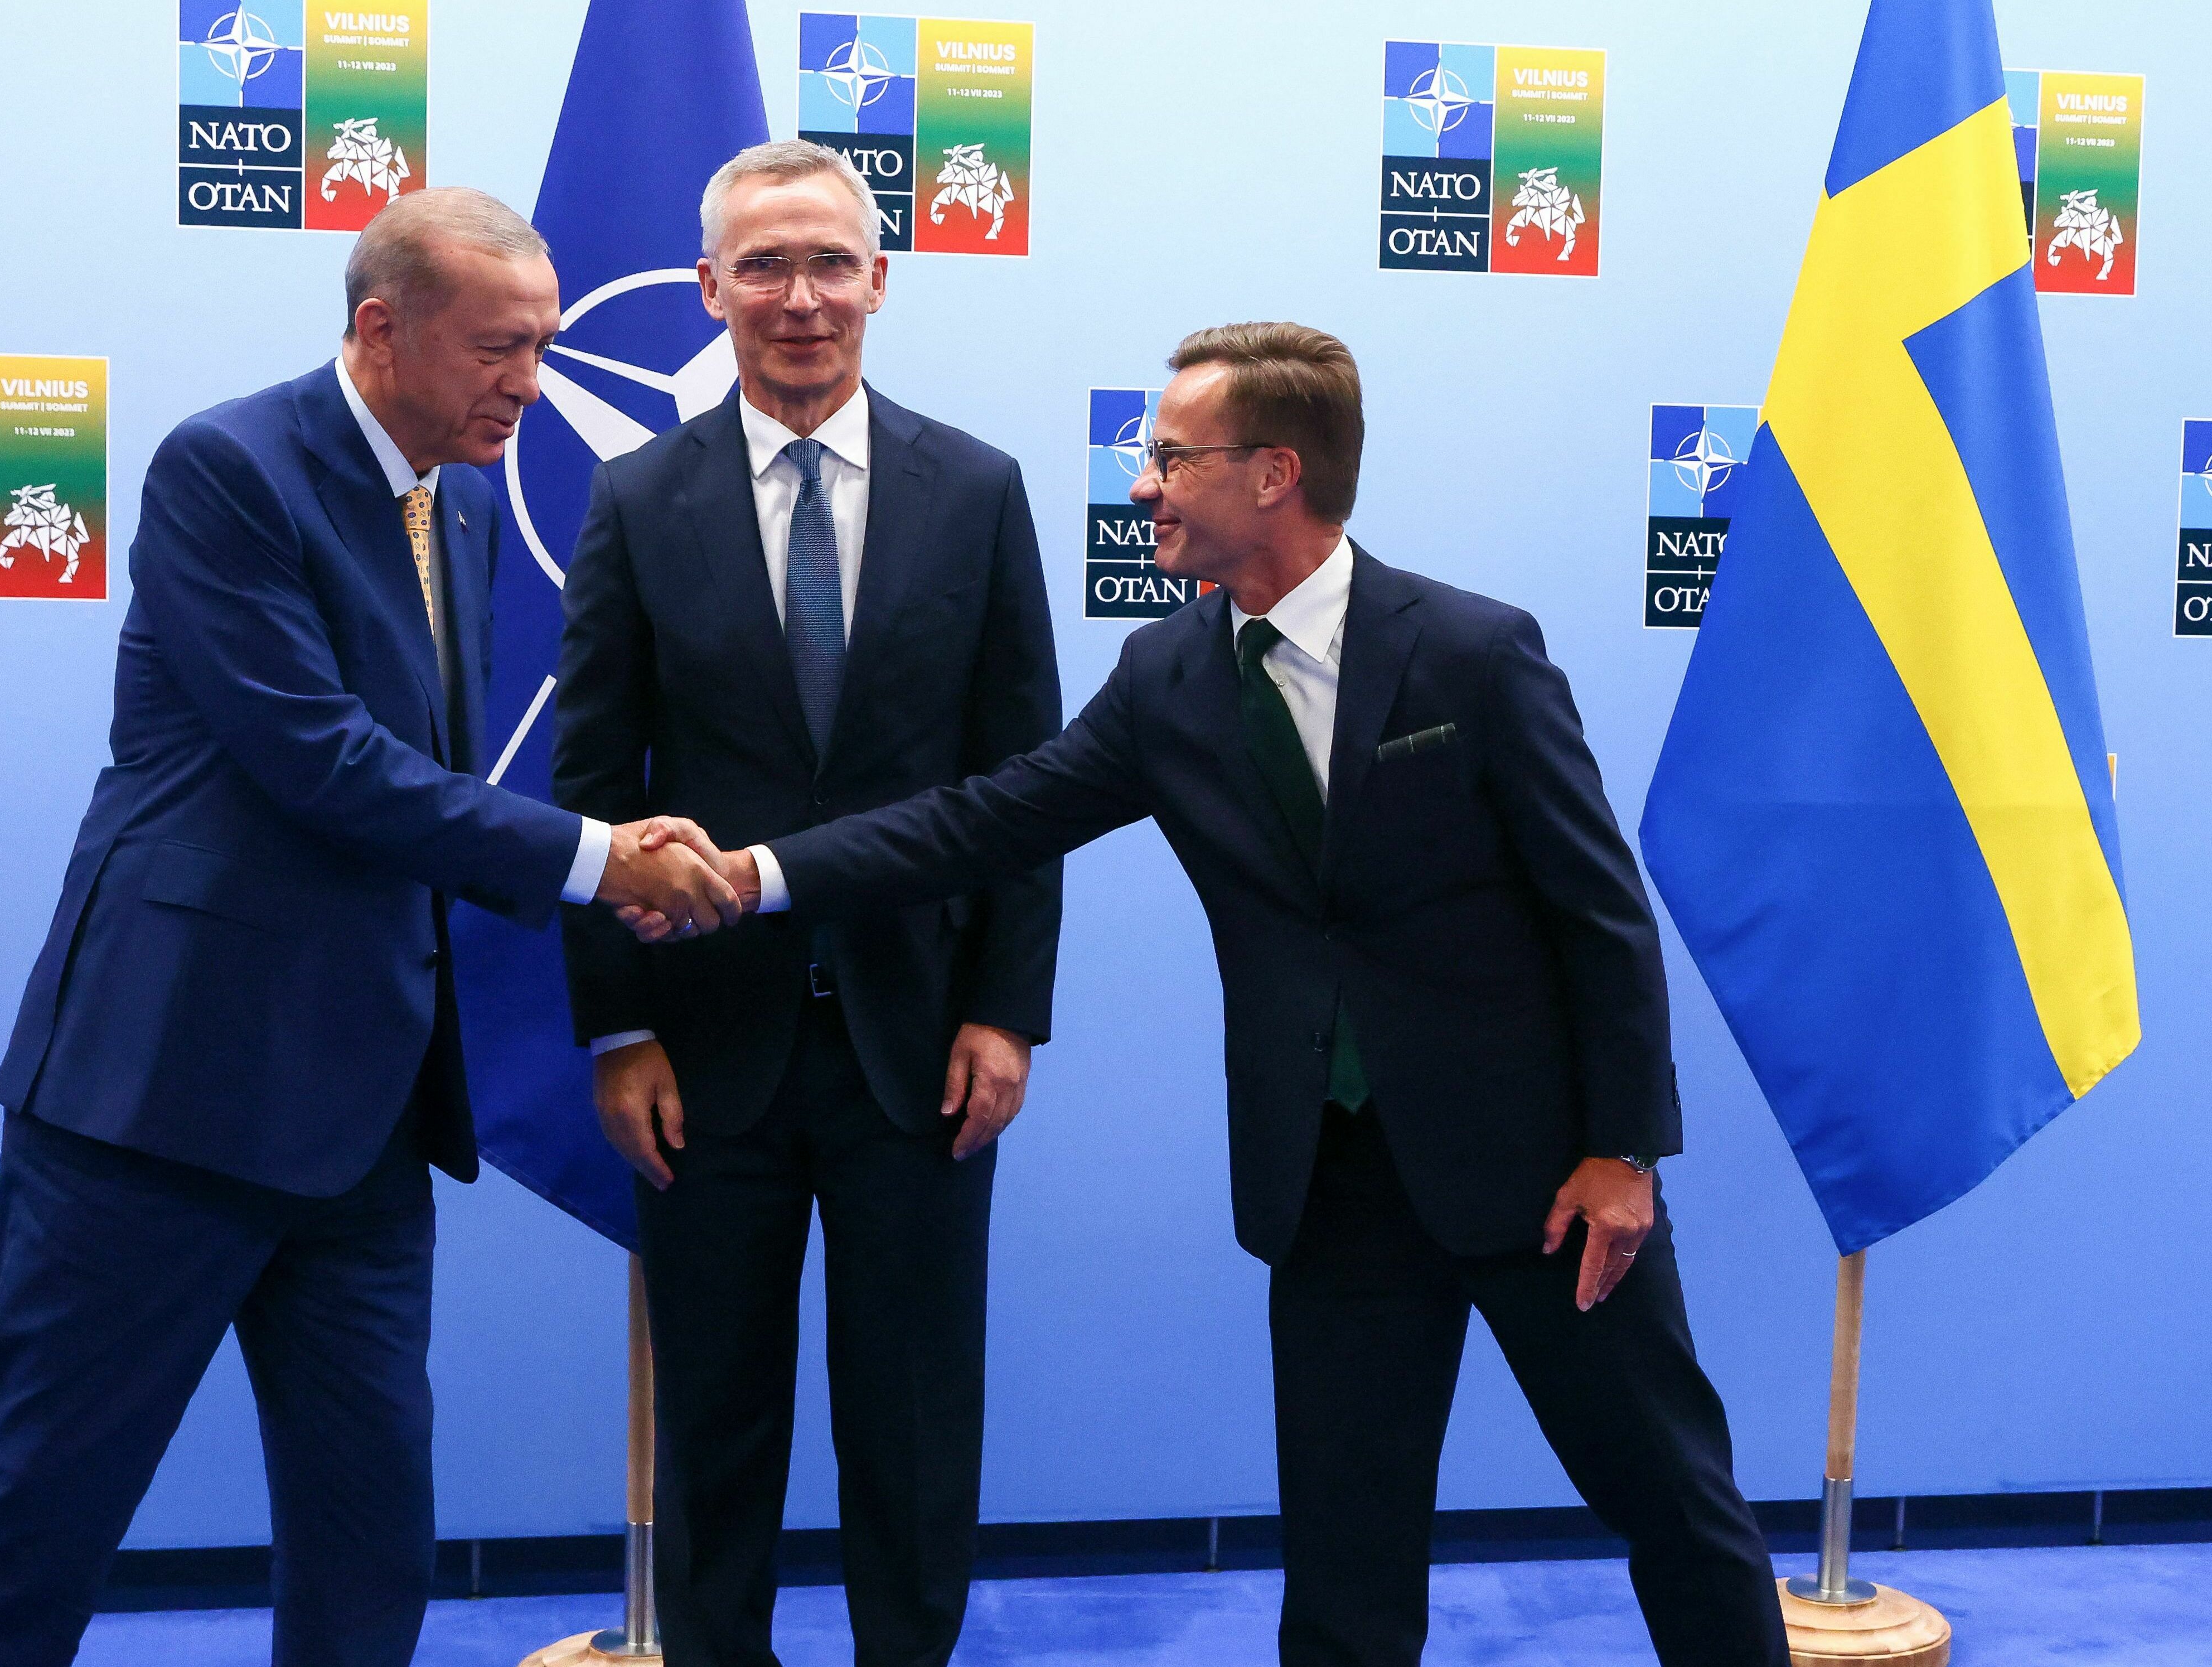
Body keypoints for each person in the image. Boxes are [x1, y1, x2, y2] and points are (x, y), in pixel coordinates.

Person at [636, 322, 1788, 1666]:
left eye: (1171, 459)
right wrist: (759, 873)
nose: (1143, 488)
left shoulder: (1471, 652)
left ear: (1272, 474)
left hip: (1542, 1179)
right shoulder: (1166, 675)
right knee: (1344, 1561)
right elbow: (978, 822)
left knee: (1670, 1501)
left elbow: (1599, 915)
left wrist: (1621, 1149)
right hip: (1330, 1188)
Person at [0, 189, 739, 1667]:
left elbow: (426, 785)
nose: (529, 385)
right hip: (157, 1102)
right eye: (498, 349)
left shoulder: (463, 503)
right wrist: (604, 859)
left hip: (363, 1116)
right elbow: (328, 763)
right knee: (39, 1516)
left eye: (542, 346)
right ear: (379, 326)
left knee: (370, 1528)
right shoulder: (230, 467)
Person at [551, 139, 1062, 1667]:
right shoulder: (639, 498)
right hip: (703, 1055)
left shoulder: (976, 489)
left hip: (925, 1048)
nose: (799, 297)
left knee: (914, 1417)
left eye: (829, 262)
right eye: (762, 266)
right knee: (718, 1418)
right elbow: (589, 788)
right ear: (707, 289)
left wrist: (1007, 1006)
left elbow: (1024, 778)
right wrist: (615, 1027)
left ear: (879, 281)